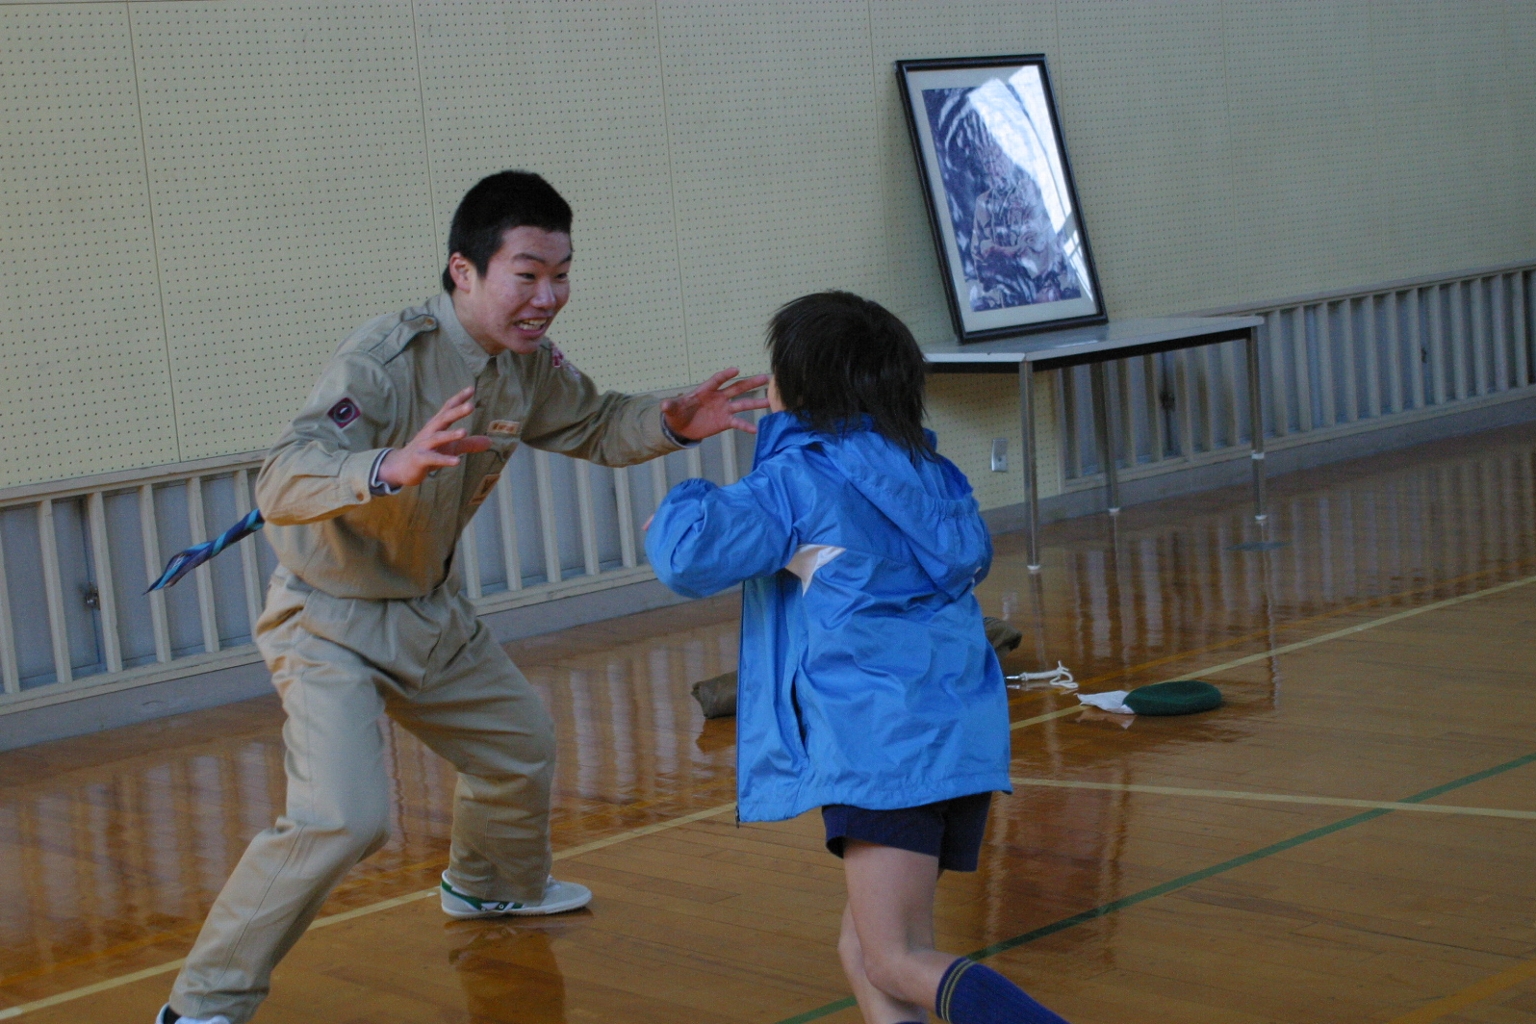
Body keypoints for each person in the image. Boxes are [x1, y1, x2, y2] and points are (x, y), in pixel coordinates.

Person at [156, 170, 768, 1024]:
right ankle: (200, 1005)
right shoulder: (384, 361)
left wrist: (670, 422)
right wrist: (387, 464)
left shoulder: (526, 365)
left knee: (518, 746)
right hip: (327, 620)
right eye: (528, 274)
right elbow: (281, 477)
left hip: (430, 609)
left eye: (561, 274)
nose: (548, 297)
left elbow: (594, 423)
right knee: (344, 818)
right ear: (463, 271)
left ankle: (485, 887)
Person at [645, 291, 1072, 1024]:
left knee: (895, 957)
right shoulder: (928, 470)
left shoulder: (801, 478)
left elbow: (687, 556)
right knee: (864, 949)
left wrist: (676, 507)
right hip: (955, 737)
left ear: (801, 386)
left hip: (883, 748)